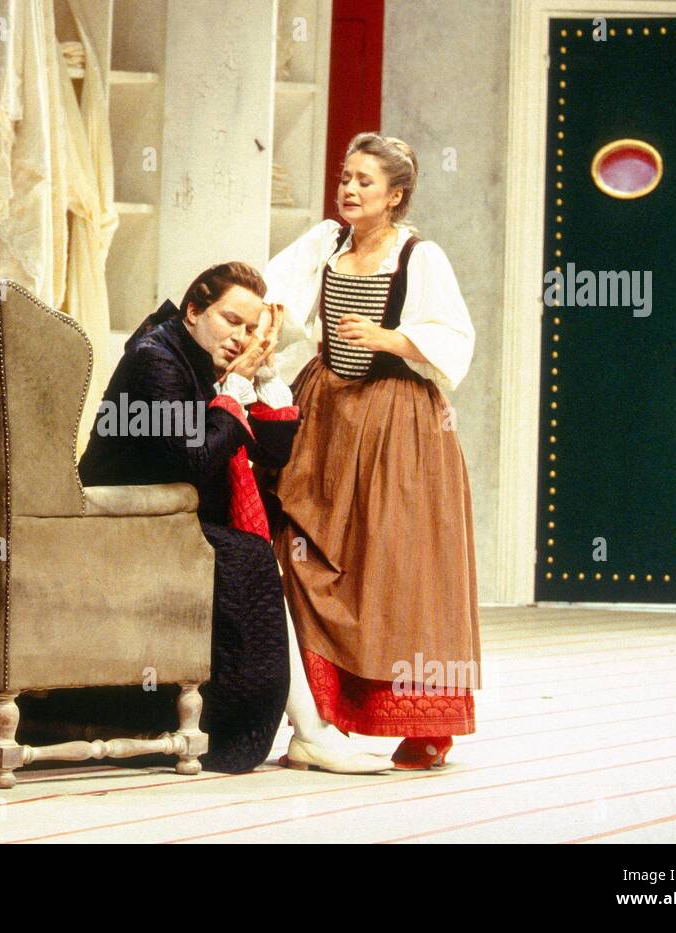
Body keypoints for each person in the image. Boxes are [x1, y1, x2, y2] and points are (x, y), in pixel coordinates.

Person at [23, 262, 393, 773]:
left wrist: (262, 379)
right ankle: (300, 731)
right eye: (230, 320)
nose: (239, 337)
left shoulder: (196, 358)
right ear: (194, 310)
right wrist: (232, 396)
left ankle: (312, 730)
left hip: (169, 523)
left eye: (249, 328)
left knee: (259, 556)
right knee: (249, 559)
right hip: (118, 529)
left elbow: (276, 452)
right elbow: (193, 458)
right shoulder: (156, 359)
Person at [264, 132, 481, 769]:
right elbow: (272, 300)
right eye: (345, 178)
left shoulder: (420, 256)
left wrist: (389, 338)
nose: (350, 190)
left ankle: (422, 724)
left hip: (395, 420)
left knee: (399, 564)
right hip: (328, 411)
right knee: (304, 550)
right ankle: (322, 717)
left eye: (364, 182)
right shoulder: (325, 243)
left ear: (396, 195)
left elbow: (453, 338)